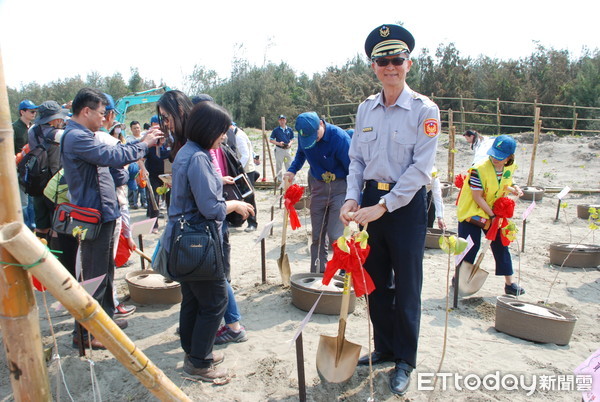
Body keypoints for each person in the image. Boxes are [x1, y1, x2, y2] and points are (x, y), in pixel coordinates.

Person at [339, 24, 440, 396]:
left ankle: (405, 361)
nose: (390, 67)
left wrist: (384, 205)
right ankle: (384, 347)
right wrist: (352, 198)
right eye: (383, 61)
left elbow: (420, 169)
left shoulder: (424, 110)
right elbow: (355, 161)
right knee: (375, 282)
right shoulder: (366, 109)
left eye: (397, 60)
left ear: (408, 64)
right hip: (368, 204)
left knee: (408, 287)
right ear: (374, 66)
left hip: (405, 207)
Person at [62, 88, 161, 349]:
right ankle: (84, 333)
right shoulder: (76, 137)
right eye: (101, 113)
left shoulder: (85, 135)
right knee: (93, 276)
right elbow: (110, 156)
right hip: (92, 216)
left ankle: (104, 321)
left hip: (104, 213)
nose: (104, 118)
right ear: (86, 111)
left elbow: (110, 163)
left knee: (105, 272)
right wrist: (143, 144)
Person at [162, 101, 253, 381]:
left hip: (183, 240)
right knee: (215, 301)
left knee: (192, 298)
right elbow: (211, 208)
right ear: (208, 129)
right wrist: (235, 204)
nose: (224, 137)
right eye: (222, 131)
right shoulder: (199, 157)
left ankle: (193, 351)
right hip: (199, 243)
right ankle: (200, 363)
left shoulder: (187, 152)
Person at [456, 134, 525, 296]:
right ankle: (459, 279)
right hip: (472, 213)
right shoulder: (478, 170)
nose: (495, 159)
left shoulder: (509, 167)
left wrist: (514, 187)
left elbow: (504, 182)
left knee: (501, 244)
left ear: (509, 157)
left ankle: (510, 284)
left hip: (493, 211)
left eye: (500, 157)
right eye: (493, 154)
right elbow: (477, 196)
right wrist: (492, 216)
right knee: (470, 247)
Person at [284, 112, 350, 273]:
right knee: (317, 234)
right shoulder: (304, 135)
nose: (313, 140)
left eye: (315, 135)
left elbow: (353, 169)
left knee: (335, 233)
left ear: (321, 123)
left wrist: (356, 197)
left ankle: (343, 271)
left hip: (339, 188)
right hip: (318, 187)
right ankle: (318, 271)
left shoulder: (340, 138)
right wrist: (292, 170)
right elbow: (301, 154)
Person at [27, 101, 68, 241]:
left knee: (41, 223)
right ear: (55, 119)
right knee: (56, 223)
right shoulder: (57, 134)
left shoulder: (32, 130)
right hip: (53, 185)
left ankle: (42, 251)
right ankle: (56, 255)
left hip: (36, 182)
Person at [14, 99, 38, 230]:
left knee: (31, 201)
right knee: (23, 202)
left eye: (35, 111)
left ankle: (31, 227)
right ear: (22, 112)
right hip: (20, 170)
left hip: (32, 169)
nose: (34, 113)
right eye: (31, 111)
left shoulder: (32, 128)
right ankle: (24, 228)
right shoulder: (14, 128)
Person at [231, 124, 258, 232]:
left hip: (246, 171)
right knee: (238, 197)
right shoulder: (235, 135)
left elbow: (245, 155)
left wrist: (237, 169)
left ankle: (253, 223)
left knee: (248, 197)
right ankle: (239, 221)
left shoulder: (239, 136)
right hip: (241, 170)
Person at [269, 115, 294, 181]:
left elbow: (292, 139)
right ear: (279, 121)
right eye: (281, 120)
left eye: (283, 120)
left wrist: (289, 144)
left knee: (289, 164)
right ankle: (279, 179)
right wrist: (279, 143)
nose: (282, 121)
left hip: (288, 149)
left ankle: (289, 179)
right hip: (279, 149)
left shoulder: (289, 129)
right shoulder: (276, 130)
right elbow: (271, 140)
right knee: (279, 165)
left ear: (285, 120)